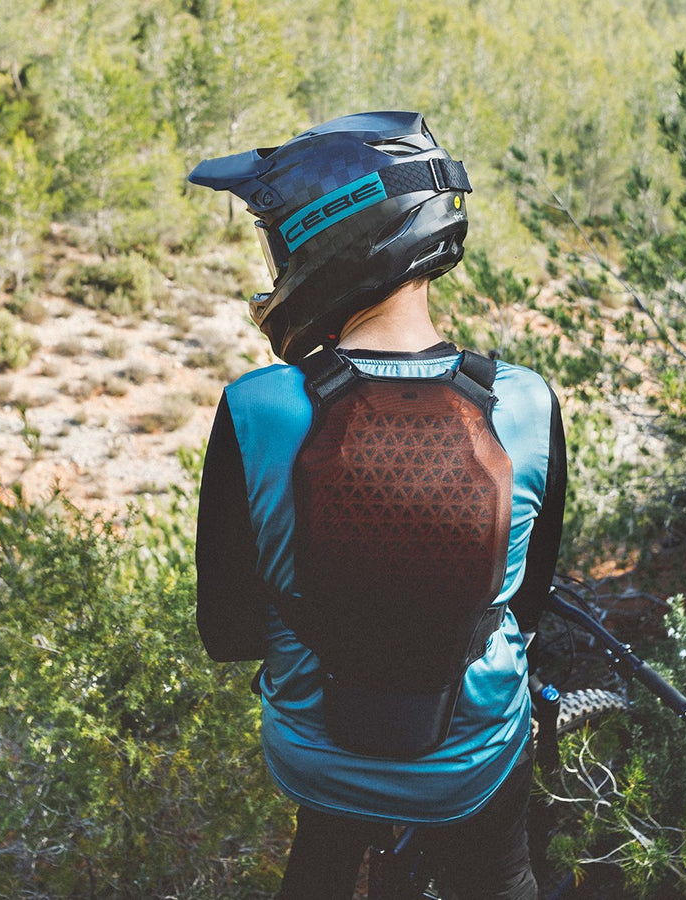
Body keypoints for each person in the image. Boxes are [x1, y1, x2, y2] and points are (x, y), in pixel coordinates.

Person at [190, 111, 566, 899]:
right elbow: (527, 607)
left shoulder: (256, 408)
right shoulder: (527, 403)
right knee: (502, 876)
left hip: (315, 756)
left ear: (329, 243)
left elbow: (228, 633)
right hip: (471, 760)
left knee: (322, 854)